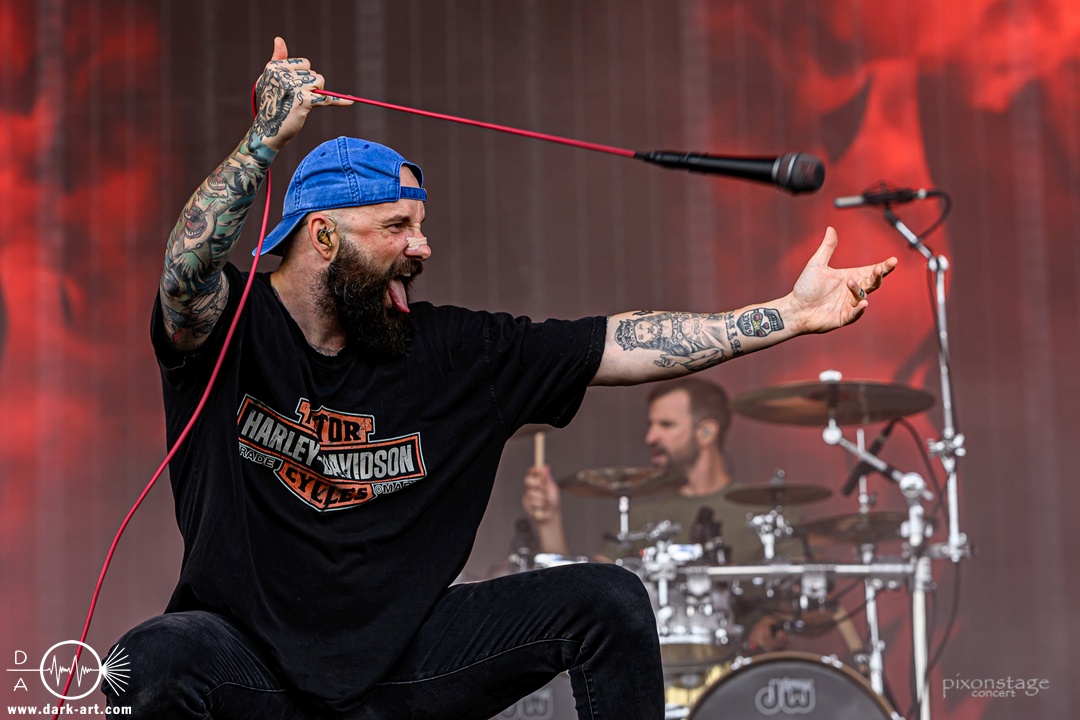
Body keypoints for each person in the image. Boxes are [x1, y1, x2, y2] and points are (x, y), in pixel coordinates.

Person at [103, 38, 895, 720]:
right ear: (323, 236)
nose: (422, 247)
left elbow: (616, 346)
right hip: (250, 666)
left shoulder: (448, 349)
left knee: (608, 602)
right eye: (397, 227)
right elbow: (184, 272)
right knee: (150, 658)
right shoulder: (230, 325)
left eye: (420, 227)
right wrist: (263, 139)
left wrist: (787, 315)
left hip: (403, 666)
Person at [522, 377, 804, 655]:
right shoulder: (641, 517)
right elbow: (589, 595)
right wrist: (549, 521)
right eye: (651, 425)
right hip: (656, 668)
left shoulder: (768, 513)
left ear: (706, 432)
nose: (650, 437)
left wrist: (776, 623)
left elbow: (810, 598)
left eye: (666, 425)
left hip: (742, 668)